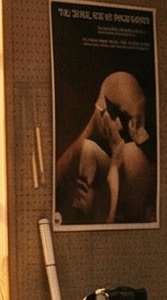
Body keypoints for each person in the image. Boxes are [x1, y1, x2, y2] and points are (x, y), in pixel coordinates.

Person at [55, 70, 154, 226]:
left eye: (132, 122)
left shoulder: (128, 153)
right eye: (122, 117)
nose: (121, 127)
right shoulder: (81, 143)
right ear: (102, 107)